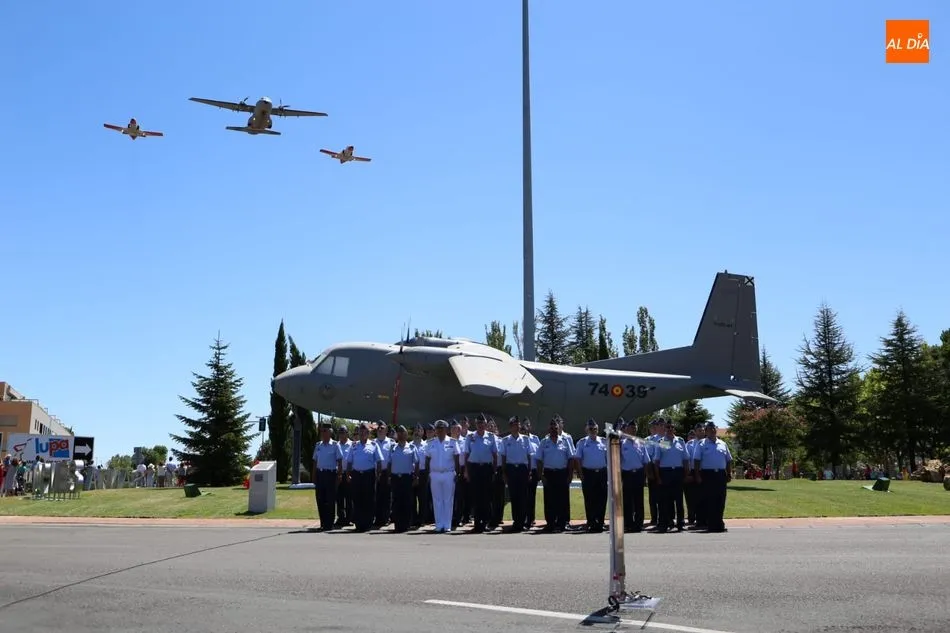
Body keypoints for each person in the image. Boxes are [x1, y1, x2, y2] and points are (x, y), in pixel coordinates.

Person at [692, 421, 732, 533]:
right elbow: (696, 461)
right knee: (710, 500)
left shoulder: (723, 443)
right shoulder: (701, 444)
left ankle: (719, 523)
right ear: (706, 431)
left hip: (720, 474)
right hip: (707, 475)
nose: (712, 430)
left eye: (714, 428)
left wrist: (729, 473)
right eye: (710, 429)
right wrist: (697, 475)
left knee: (721, 500)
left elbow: (728, 460)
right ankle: (711, 524)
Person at [536, 417, 574, 532]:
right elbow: (539, 459)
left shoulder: (565, 441)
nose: (554, 430)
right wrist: (541, 475)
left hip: (562, 473)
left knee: (563, 499)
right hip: (549, 474)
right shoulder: (544, 442)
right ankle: (550, 524)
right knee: (549, 500)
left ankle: (563, 524)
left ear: (559, 428)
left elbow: (571, 458)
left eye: (556, 428)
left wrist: (570, 475)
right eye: (552, 428)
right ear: (549, 429)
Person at [652, 419, 689, 533]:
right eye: (667, 427)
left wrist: (686, 474)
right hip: (665, 472)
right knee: (665, 500)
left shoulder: (680, 441)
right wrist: (658, 477)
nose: (669, 429)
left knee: (679, 500)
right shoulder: (662, 442)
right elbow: (657, 461)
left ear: (674, 429)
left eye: (671, 427)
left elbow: (685, 459)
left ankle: (680, 523)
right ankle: (665, 523)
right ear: (664, 429)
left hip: (678, 472)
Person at [346, 423, 383, 532]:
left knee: (368, 499)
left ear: (368, 433)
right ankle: (358, 523)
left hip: (369, 475)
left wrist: (378, 475)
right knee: (357, 499)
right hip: (356, 475)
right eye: (360, 432)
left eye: (365, 432)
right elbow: (349, 461)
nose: (362, 434)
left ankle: (367, 523)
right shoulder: (354, 445)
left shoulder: (374, 445)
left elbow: (379, 461)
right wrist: (348, 474)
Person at [500, 416, 535, 533]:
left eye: (518, 424)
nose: (517, 426)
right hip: (511, 469)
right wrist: (504, 473)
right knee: (514, 497)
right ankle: (516, 522)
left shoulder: (525, 439)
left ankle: (523, 522)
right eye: (515, 425)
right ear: (510, 427)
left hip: (522, 469)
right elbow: (503, 458)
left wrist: (530, 471)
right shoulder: (505, 440)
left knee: (523, 497)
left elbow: (529, 456)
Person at [463, 415, 497, 533]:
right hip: (474, 468)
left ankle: (486, 522)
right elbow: (466, 454)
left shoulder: (491, 437)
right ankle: (477, 523)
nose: (480, 425)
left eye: (482, 423)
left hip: (487, 468)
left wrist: (494, 471)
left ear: (485, 424)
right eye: (478, 423)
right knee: (476, 497)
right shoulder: (470, 437)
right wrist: (466, 471)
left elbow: (495, 455)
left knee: (486, 497)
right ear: (475, 424)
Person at [574, 418, 608, 532]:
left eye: (595, 429)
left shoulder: (604, 441)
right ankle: (591, 522)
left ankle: (600, 522)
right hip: (588, 473)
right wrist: (580, 474)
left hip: (602, 473)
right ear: (586, 430)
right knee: (589, 499)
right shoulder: (582, 442)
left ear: (598, 430)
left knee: (602, 499)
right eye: (591, 429)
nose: (593, 431)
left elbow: (608, 458)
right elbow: (578, 459)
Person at [425, 419, 460, 533]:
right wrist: (428, 474)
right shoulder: (431, 443)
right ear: (435, 430)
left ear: (446, 430)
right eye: (438, 429)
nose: (440, 431)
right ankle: (439, 525)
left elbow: (457, 458)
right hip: (435, 474)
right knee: (437, 500)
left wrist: (457, 473)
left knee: (448, 500)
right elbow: (427, 459)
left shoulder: (452, 442)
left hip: (448, 474)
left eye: (442, 428)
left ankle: (447, 525)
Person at [312, 422, 344, 531]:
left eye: (325, 431)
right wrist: (314, 475)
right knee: (320, 499)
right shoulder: (318, 445)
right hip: (320, 474)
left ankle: (329, 524)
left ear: (330, 432)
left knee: (330, 500)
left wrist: (339, 475)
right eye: (321, 431)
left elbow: (340, 461)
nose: (322, 433)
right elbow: (315, 461)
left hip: (330, 475)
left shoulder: (335, 445)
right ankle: (323, 523)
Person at [618, 418, 648, 532]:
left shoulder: (641, 442)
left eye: (635, 428)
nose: (633, 430)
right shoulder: (621, 443)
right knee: (627, 500)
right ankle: (628, 523)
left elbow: (645, 461)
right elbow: (618, 460)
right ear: (626, 429)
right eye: (631, 428)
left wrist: (645, 476)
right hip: (627, 474)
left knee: (639, 500)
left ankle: (638, 523)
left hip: (639, 473)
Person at [388, 425, 419, 533]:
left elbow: (417, 463)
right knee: (396, 502)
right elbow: (389, 463)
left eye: (403, 432)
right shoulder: (393, 447)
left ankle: (406, 524)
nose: (401, 434)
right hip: (395, 477)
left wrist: (416, 477)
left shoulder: (412, 447)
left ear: (406, 434)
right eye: (399, 432)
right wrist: (389, 476)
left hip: (407, 477)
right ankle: (397, 524)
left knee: (407, 501)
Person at [372, 421, 395, 528]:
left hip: (386, 472)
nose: (380, 430)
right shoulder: (372, 442)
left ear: (386, 430)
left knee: (386, 496)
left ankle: (386, 518)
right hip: (374, 472)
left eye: (382, 428)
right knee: (376, 496)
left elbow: (392, 458)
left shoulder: (391, 442)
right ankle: (377, 518)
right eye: (378, 428)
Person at [521, 419, 541, 530]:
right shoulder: (520, 439)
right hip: (523, 470)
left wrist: (539, 471)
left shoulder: (535, 439)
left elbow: (539, 455)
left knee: (531, 495)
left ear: (530, 427)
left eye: (528, 425)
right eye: (524, 425)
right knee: (523, 495)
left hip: (533, 470)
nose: (526, 427)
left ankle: (531, 518)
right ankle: (524, 518)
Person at [410, 424, 430, 528]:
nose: (417, 432)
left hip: (423, 473)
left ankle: (422, 519)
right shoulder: (409, 445)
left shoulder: (426, 445)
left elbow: (429, 460)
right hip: (411, 473)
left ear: (423, 432)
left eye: (419, 430)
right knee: (412, 498)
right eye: (416, 430)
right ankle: (413, 519)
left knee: (423, 498)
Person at [334, 426, 354, 527]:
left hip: (348, 473)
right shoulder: (336, 445)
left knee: (349, 497)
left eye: (343, 432)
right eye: (340, 432)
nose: (341, 434)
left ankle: (349, 519)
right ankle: (341, 518)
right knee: (339, 497)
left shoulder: (352, 444)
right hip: (338, 474)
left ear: (347, 433)